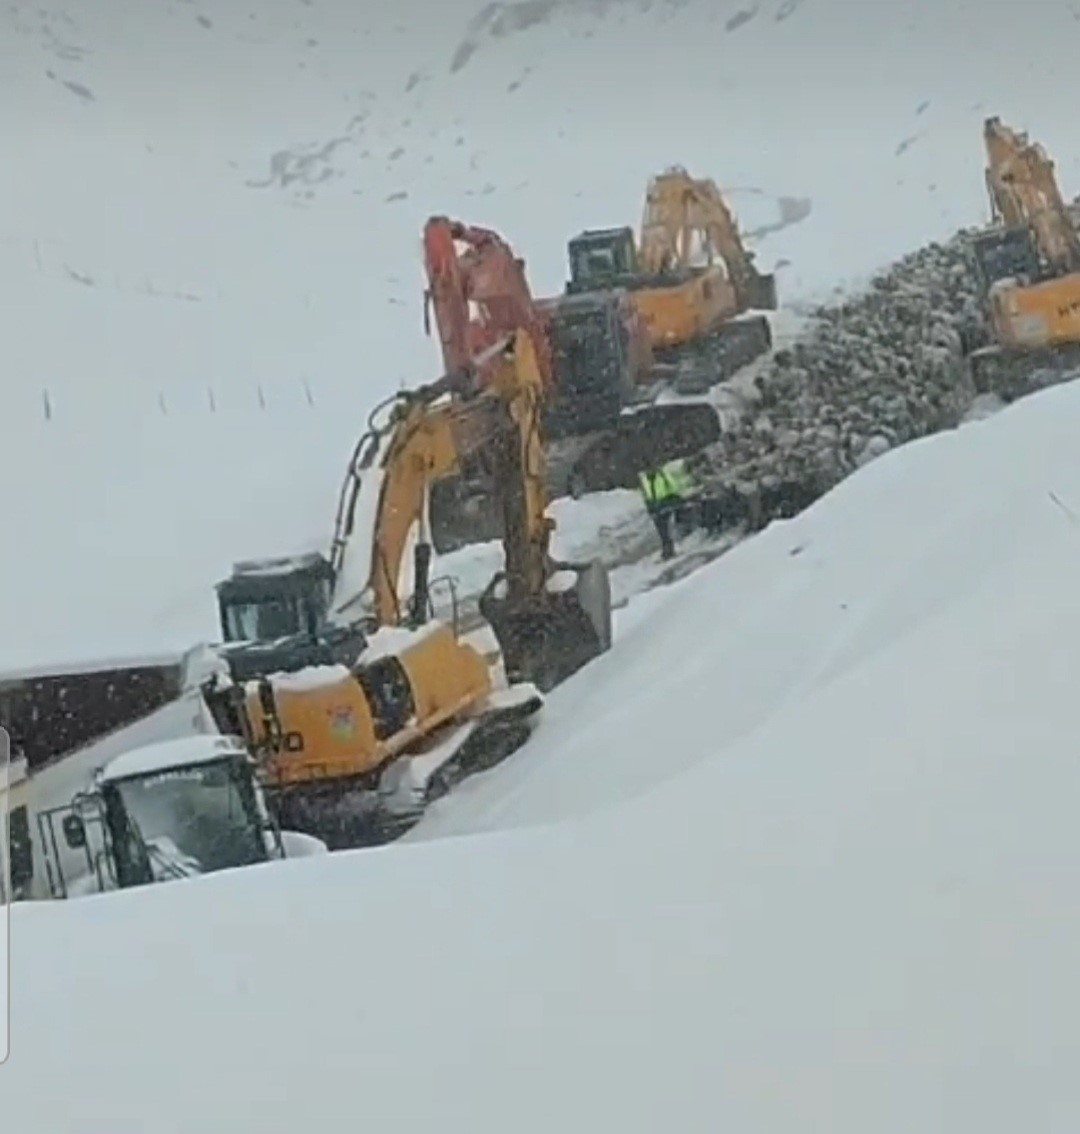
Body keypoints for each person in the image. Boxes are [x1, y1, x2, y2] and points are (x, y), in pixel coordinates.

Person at [638, 458, 699, 560]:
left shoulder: (662, 474)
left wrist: (675, 499)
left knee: (673, 523)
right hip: (655, 505)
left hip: (666, 501)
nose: (650, 470)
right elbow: (646, 494)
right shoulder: (644, 479)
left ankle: (679, 543)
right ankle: (668, 549)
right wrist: (650, 506)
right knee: (663, 531)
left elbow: (672, 486)